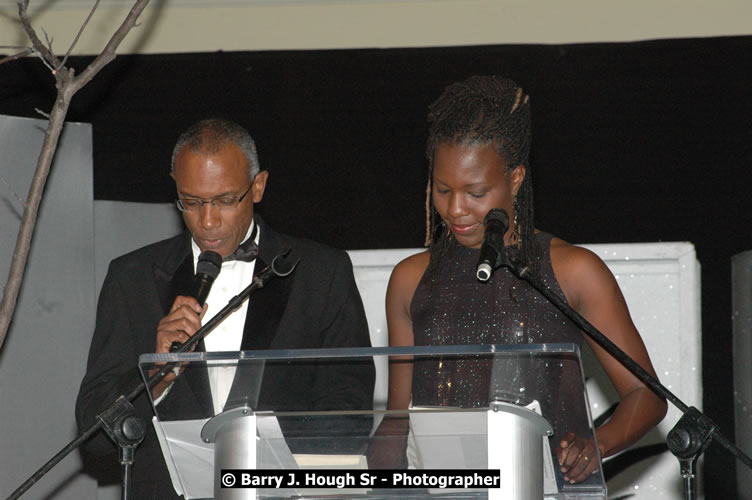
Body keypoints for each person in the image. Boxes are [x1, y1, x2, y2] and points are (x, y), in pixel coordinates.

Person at [383, 76, 667, 483]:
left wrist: (596, 445)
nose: (456, 209)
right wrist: (349, 475)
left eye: (476, 193)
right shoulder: (411, 279)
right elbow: (397, 420)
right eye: (443, 190)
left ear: (514, 179)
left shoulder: (573, 270)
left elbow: (647, 395)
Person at [75, 118, 374, 498]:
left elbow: (350, 414)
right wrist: (156, 378)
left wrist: (268, 466)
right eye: (193, 202)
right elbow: (94, 436)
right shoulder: (131, 279)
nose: (208, 221)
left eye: (225, 200)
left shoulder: (321, 273)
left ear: (259, 186)